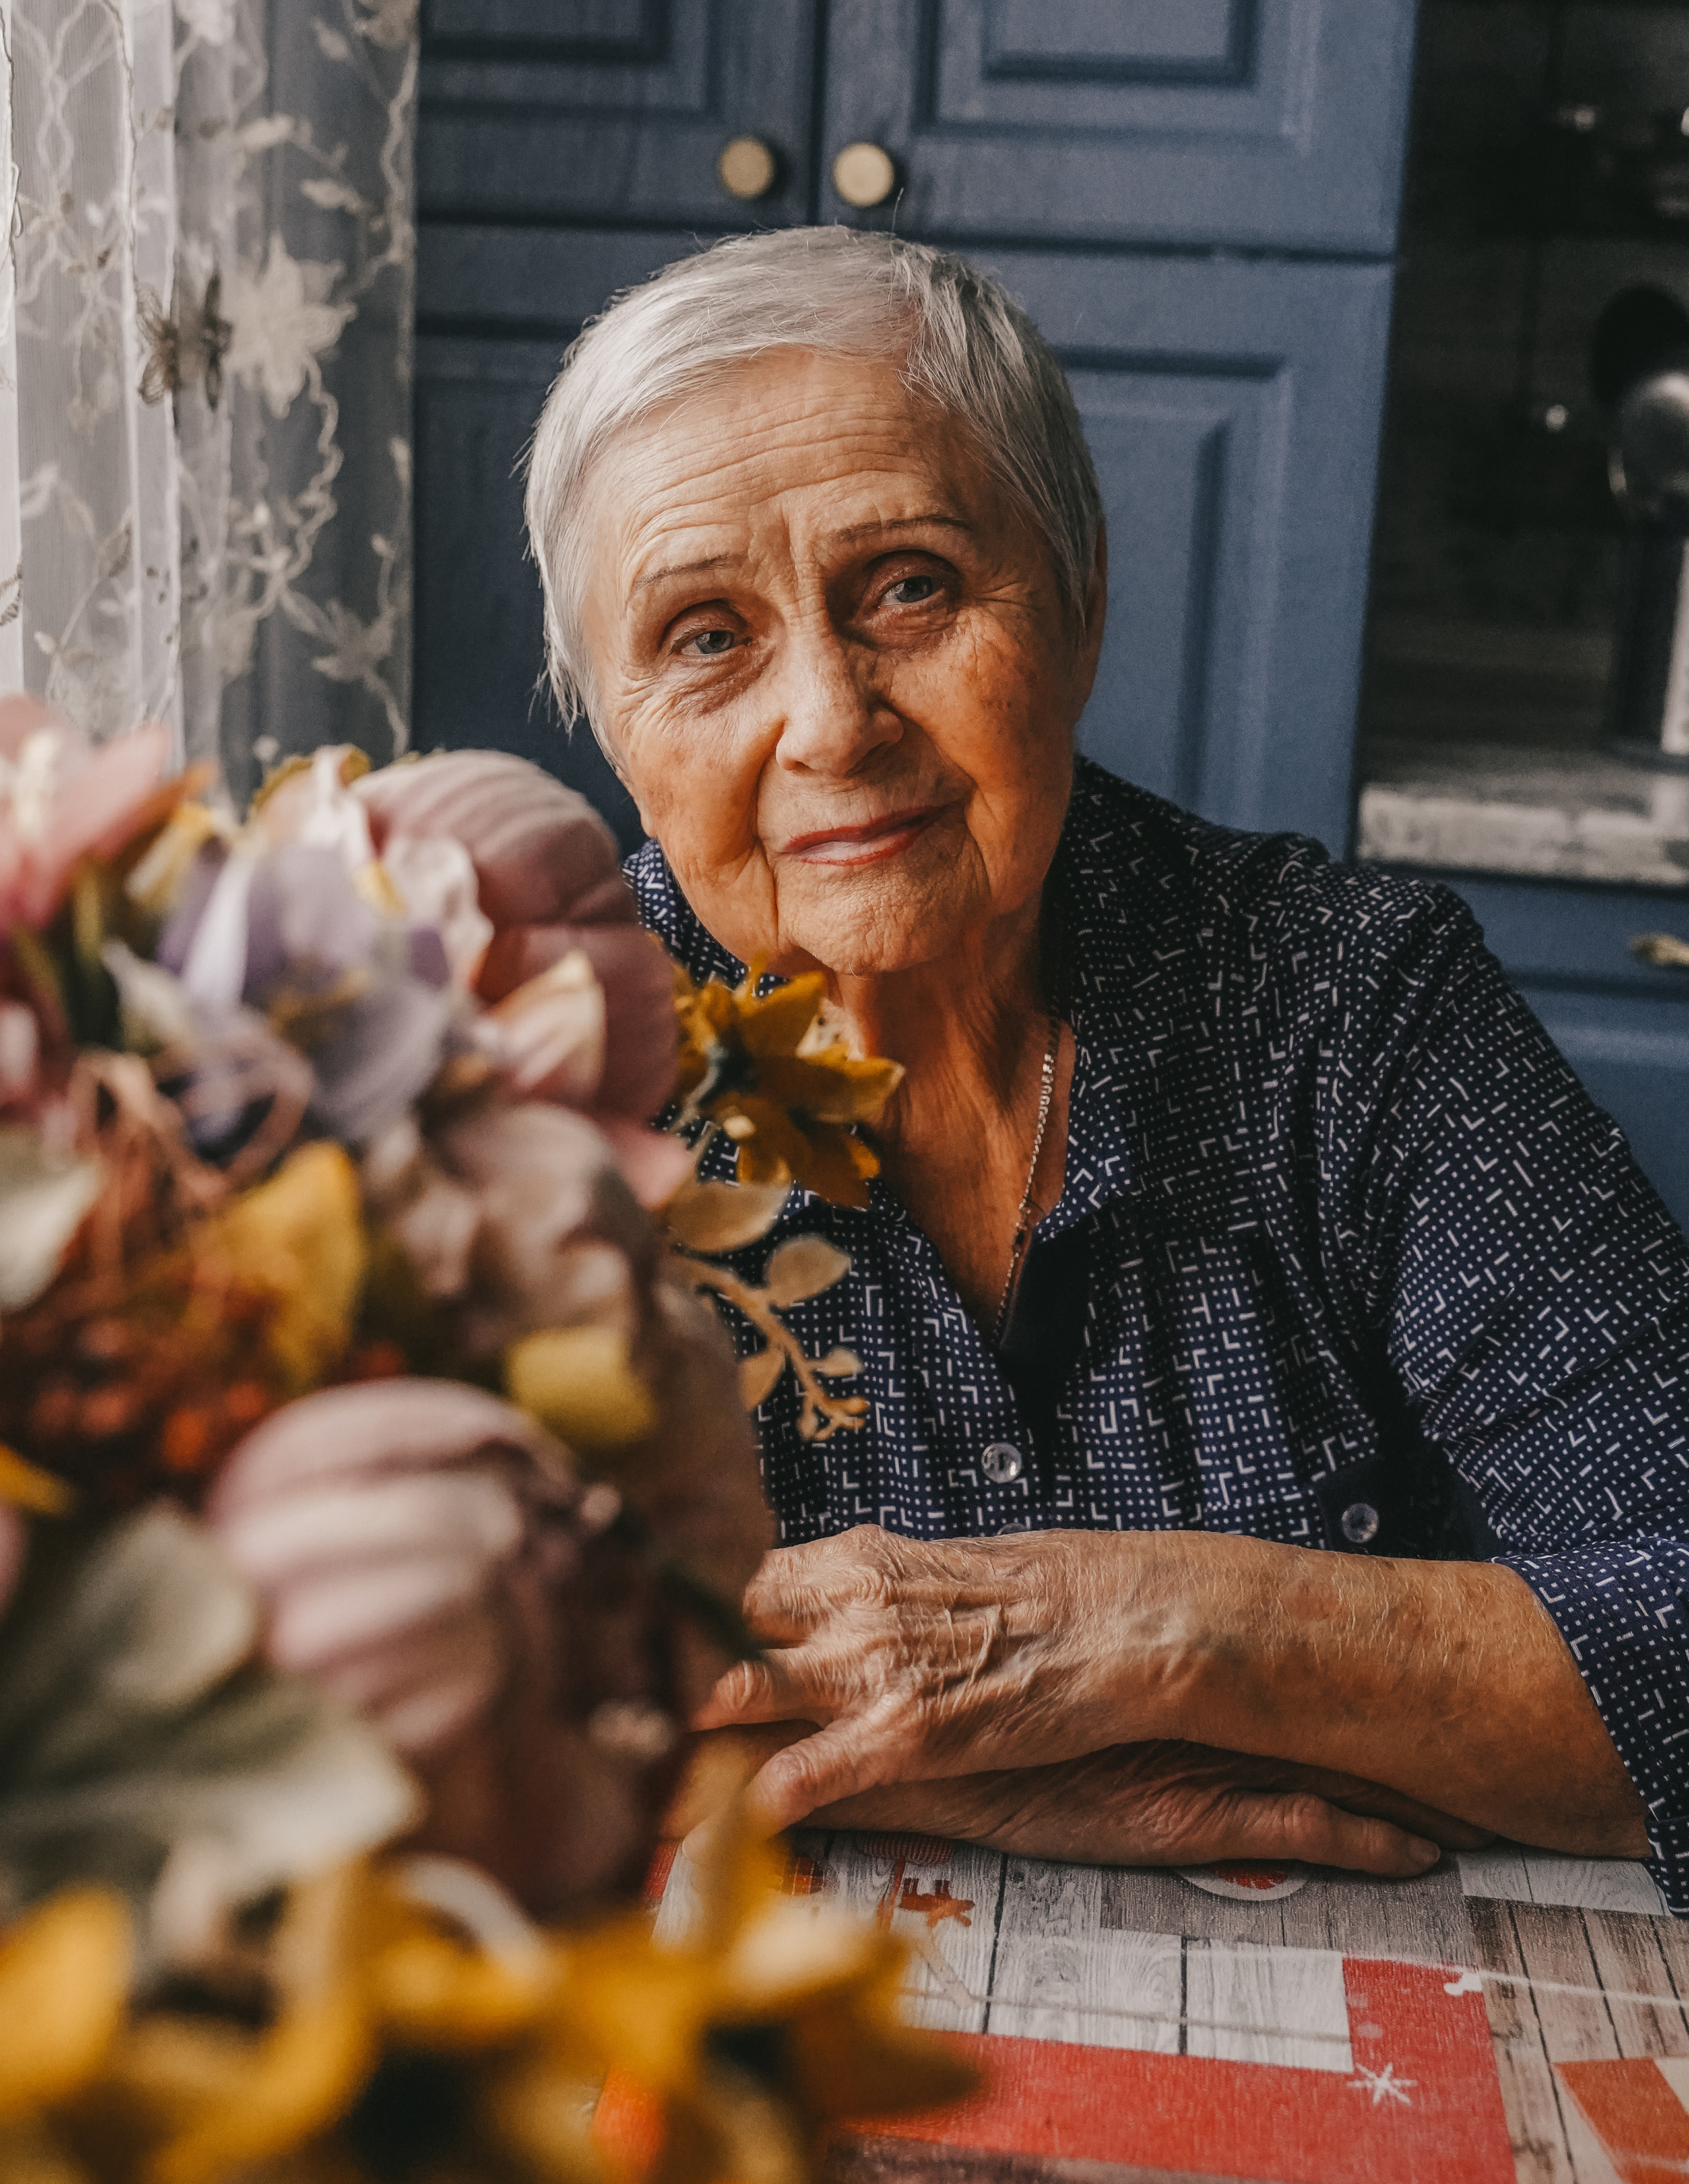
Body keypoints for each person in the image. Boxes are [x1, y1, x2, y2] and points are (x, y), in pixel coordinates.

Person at [497, 223, 1689, 1903]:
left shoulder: (1343, 1008)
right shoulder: (532, 1071)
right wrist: (995, 1776)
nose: (829, 721)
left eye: (905, 585)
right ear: (611, 725)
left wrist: (1153, 1633)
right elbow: (363, 1676)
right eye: (705, 635)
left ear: (1074, 598)